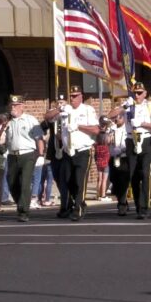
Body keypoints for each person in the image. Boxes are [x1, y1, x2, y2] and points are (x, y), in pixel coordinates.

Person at [108, 82, 151, 219]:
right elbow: (111, 115)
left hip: (145, 140)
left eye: (139, 93)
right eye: (134, 93)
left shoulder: (150, 106)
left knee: (145, 174)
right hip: (131, 141)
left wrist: (142, 123)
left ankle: (146, 206)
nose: (137, 95)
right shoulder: (127, 106)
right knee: (134, 176)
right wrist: (124, 106)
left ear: (145, 93)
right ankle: (138, 206)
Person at [57, 86, 99, 221]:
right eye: (71, 96)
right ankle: (80, 202)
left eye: (75, 96)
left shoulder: (87, 110)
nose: (72, 98)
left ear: (81, 96)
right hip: (68, 152)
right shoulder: (66, 110)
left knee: (80, 181)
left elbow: (96, 130)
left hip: (82, 151)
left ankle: (77, 210)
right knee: (69, 180)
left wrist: (78, 126)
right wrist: (59, 109)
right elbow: (47, 117)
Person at [4, 95, 45, 222]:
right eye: (12, 105)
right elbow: (4, 140)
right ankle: (21, 203)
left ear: (22, 106)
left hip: (28, 154)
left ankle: (24, 212)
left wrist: (40, 154)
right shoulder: (9, 122)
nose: (13, 108)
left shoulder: (30, 120)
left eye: (16, 105)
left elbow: (39, 138)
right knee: (11, 182)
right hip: (12, 155)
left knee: (25, 183)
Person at [43, 97, 70, 216]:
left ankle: (65, 206)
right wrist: (58, 110)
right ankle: (66, 203)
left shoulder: (69, 116)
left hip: (66, 152)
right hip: (54, 153)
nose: (60, 104)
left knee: (65, 180)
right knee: (58, 179)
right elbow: (46, 116)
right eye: (58, 103)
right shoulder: (54, 116)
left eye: (63, 103)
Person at [107, 108, 131, 215]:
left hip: (124, 157)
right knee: (114, 180)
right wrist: (108, 137)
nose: (116, 120)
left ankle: (122, 205)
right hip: (113, 157)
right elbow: (106, 140)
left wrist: (123, 149)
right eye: (114, 118)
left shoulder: (127, 128)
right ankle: (123, 201)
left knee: (123, 182)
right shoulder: (111, 128)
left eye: (119, 117)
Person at [95, 116, 112, 202]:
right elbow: (110, 142)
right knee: (105, 179)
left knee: (99, 178)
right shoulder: (107, 135)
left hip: (98, 157)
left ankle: (97, 195)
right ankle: (103, 195)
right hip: (105, 158)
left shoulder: (97, 135)